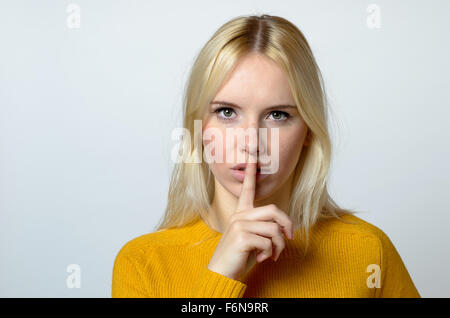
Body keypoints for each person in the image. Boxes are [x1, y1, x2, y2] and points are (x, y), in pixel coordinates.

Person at [112, 14, 420, 298]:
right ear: (198, 127)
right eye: (227, 112)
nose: (252, 143)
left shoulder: (367, 251)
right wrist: (220, 276)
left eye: (277, 115)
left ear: (308, 132)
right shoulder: (143, 264)